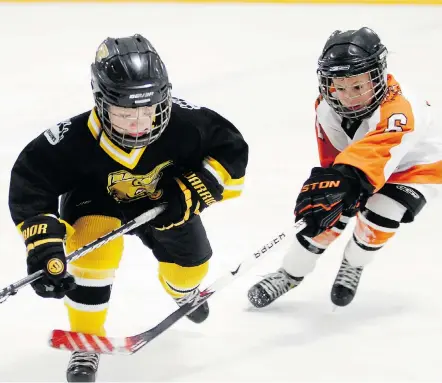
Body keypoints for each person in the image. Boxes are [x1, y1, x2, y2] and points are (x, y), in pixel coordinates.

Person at [9, 34, 248, 382]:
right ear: (102, 103)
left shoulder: (189, 124)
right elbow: (31, 184)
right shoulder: (69, 139)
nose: (137, 124)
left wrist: (192, 190)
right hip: (96, 203)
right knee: (93, 254)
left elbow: (232, 150)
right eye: (124, 113)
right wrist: (44, 244)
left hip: (166, 202)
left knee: (192, 268)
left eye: (147, 111)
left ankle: (183, 292)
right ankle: (86, 340)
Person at [247, 27, 442, 311]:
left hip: (414, 167)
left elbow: (375, 155)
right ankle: (289, 274)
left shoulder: (400, 110)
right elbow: (335, 163)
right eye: (339, 87)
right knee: (327, 213)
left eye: (358, 87)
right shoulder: (326, 108)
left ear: (377, 78)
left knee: (380, 219)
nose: (348, 97)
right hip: (362, 165)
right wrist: (332, 194)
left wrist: (346, 186)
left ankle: (354, 262)